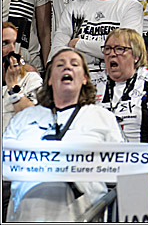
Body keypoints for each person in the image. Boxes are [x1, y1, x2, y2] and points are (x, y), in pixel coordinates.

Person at [3, 48, 124, 221]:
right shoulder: (24, 118)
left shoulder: (102, 117)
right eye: (60, 64)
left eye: (74, 64)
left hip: (81, 214)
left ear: (84, 79)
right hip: (28, 213)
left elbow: (124, 165)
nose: (67, 67)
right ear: (50, 79)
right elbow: (5, 164)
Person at [93, 28, 148, 143]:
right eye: (107, 49)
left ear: (136, 56)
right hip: (101, 156)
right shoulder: (92, 82)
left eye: (119, 49)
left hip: (141, 157)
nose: (112, 54)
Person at [3, 20, 43, 132]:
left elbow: (34, 119)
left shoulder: (31, 79)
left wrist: (13, 85)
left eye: (15, 43)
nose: (12, 49)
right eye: (4, 43)